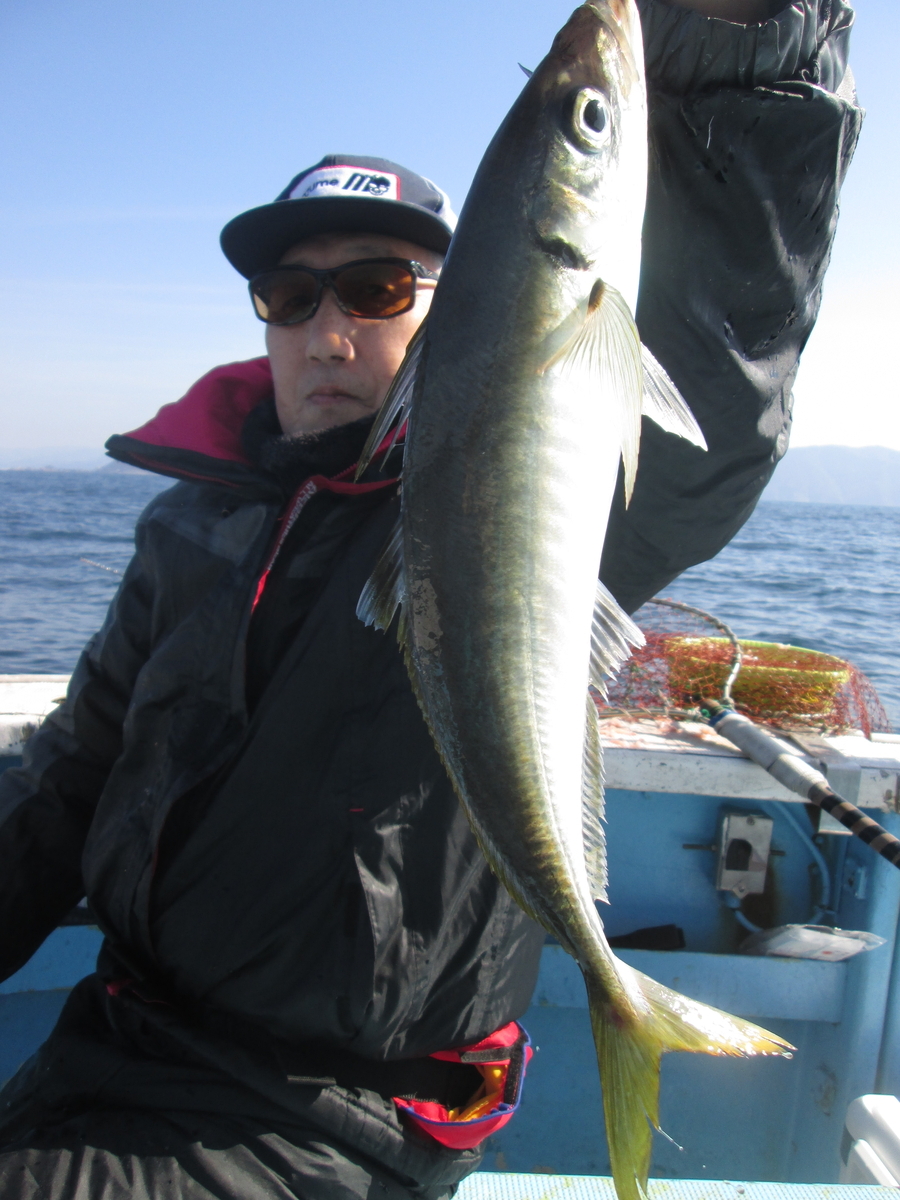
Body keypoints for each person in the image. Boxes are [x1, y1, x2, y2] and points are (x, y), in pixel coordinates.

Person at [0, 0, 862, 1196]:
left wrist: (745, 57)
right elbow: (73, 775)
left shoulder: (503, 479)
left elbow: (719, 387)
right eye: (289, 297)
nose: (327, 334)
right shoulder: (192, 523)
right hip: (109, 1044)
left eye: (374, 288)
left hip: (325, 1122)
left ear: (455, 302)